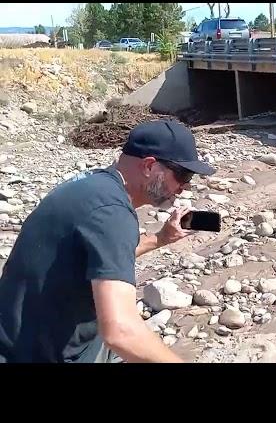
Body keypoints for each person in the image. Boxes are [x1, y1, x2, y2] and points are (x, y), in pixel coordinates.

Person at [0, 119, 215, 363]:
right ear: (149, 166)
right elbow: (120, 332)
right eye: (183, 175)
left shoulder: (93, 183)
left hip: (22, 337)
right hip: (41, 355)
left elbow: (100, 257)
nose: (184, 188)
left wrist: (161, 238)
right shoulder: (112, 213)